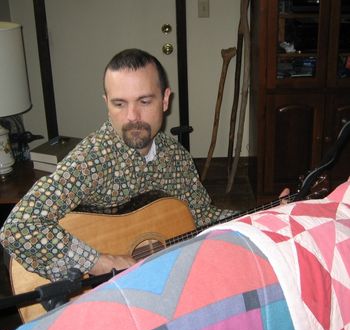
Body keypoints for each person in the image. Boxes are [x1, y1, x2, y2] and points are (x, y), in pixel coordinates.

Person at [0, 48, 238, 282]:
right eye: (119, 104)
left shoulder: (177, 157)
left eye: (144, 101)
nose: (132, 116)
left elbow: (202, 215)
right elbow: (18, 227)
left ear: (165, 100)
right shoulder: (93, 157)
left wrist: (269, 211)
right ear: (106, 104)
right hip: (94, 291)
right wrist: (99, 262)